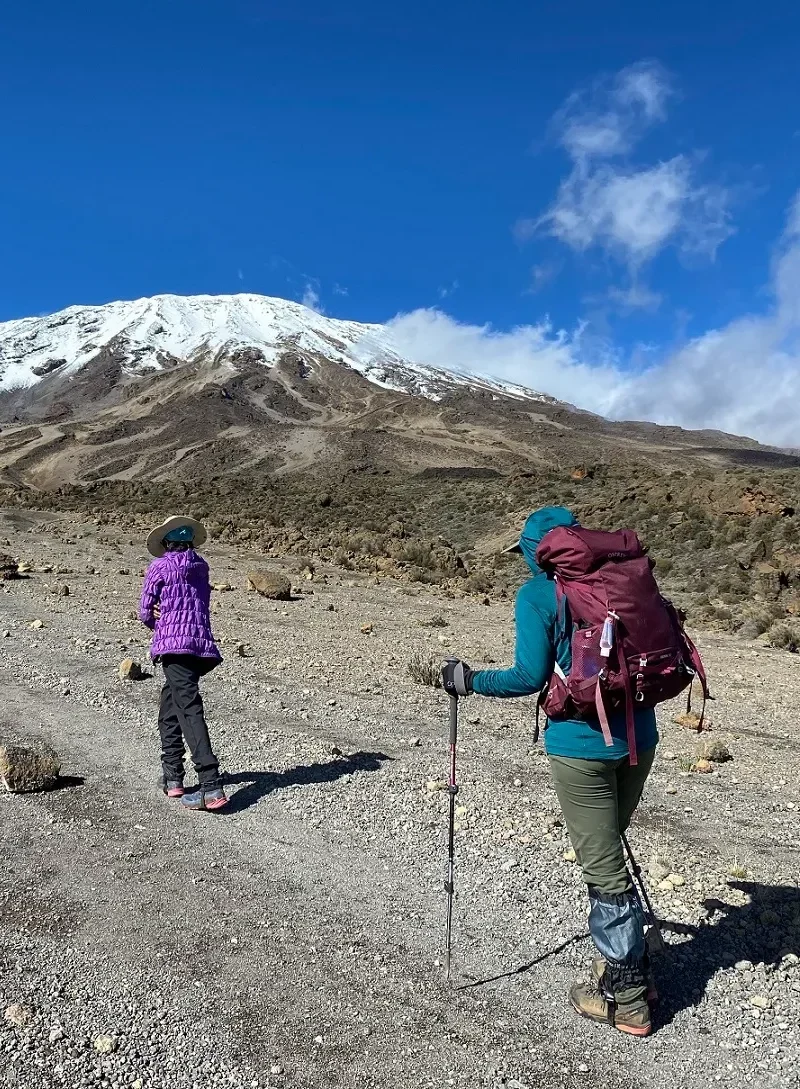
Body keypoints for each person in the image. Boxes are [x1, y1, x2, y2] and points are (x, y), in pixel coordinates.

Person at [441, 506, 658, 1037]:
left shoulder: (538, 595)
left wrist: (468, 681)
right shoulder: (621, 582)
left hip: (580, 747)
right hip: (640, 738)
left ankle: (627, 996)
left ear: (539, 553)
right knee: (608, 850)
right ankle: (625, 965)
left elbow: (526, 676)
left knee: (603, 867)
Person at [139, 515, 228, 812]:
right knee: (170, 705)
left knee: (189, 708)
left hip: (173, 646)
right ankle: (173, 777)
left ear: (167, 542)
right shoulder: (202, 567)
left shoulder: (160, 566)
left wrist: (158, 622)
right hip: (200, 646)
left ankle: (210, 785)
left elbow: (144, 612)